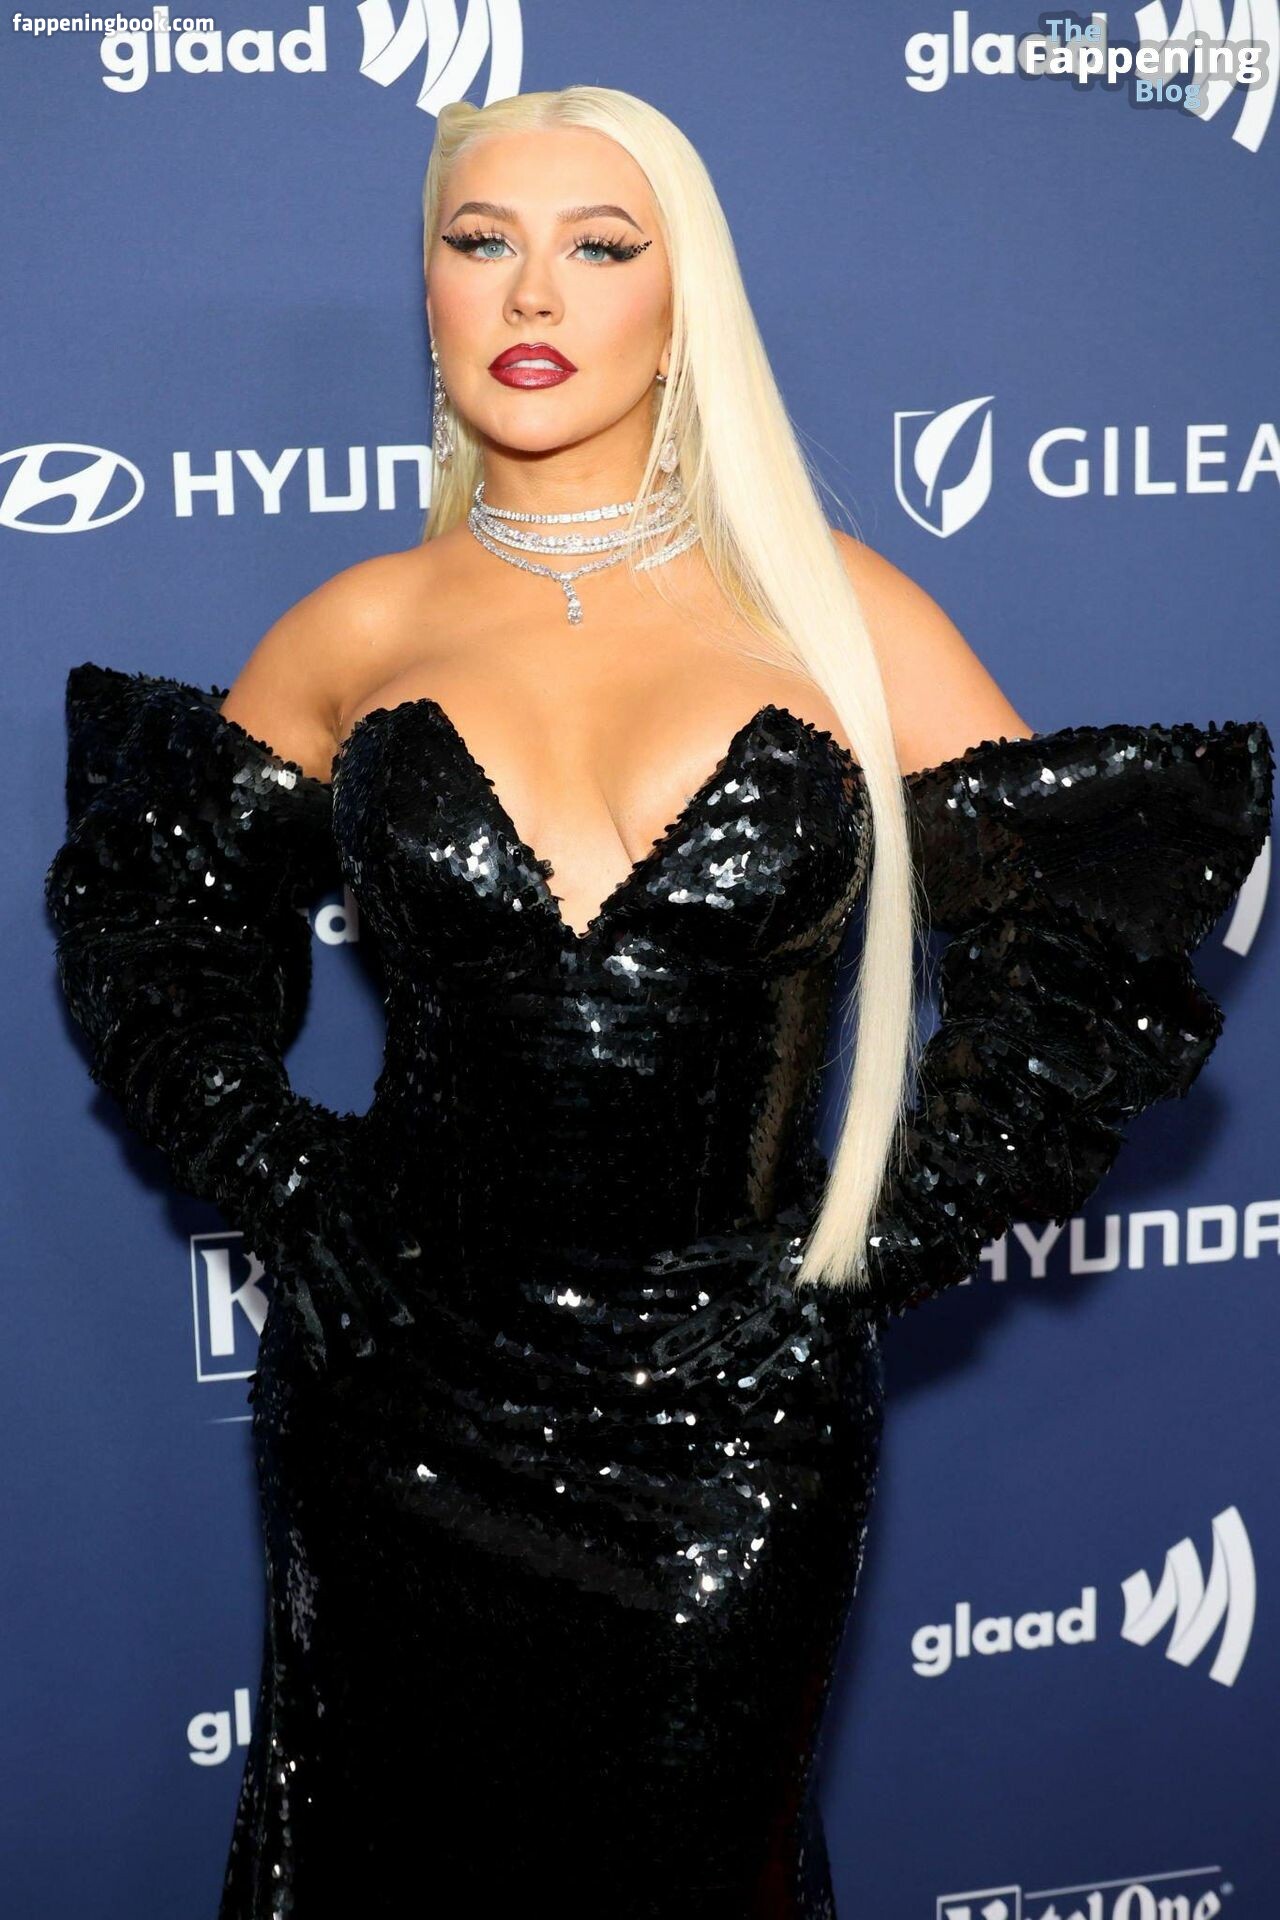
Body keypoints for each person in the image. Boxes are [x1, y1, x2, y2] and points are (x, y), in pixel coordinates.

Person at [44, 85, 1272, 1920]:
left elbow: (1086, 949)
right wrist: (297, 1189)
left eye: (600, 247)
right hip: (398, 1408)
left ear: (684, 295)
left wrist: (868, 1248)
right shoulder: (352, 632)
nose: (532, 292)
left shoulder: (838, 618)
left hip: (730, 1435)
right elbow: (151, 932)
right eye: (480, 242)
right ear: (429, 288)